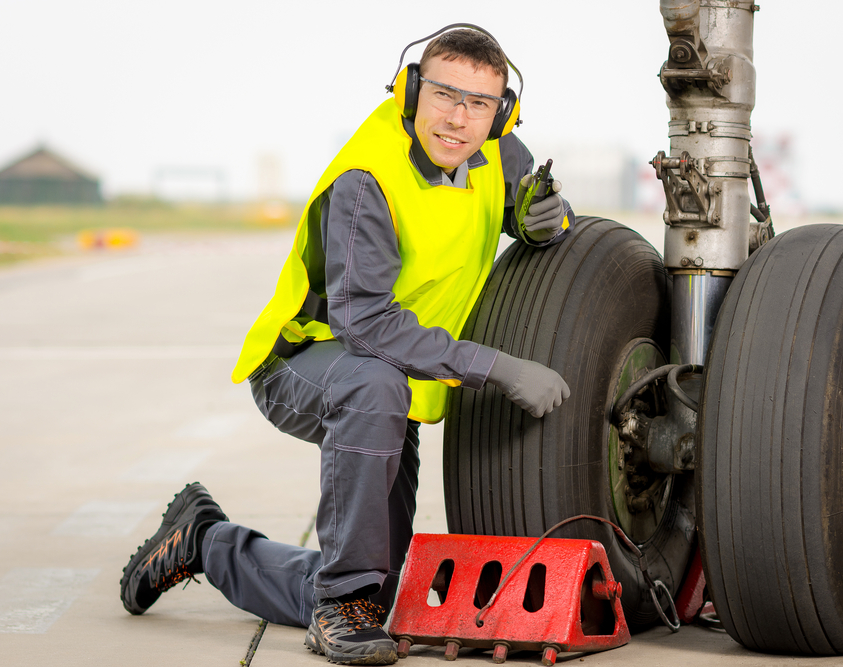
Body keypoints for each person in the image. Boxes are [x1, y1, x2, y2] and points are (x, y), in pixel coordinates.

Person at [120, 25, 573, 665]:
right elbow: (367, 326)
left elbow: (539, 205)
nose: (459, 118)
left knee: (379, 594)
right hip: (311, 366)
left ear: (501, 113)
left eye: (479, 103)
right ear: (412, 91)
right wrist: (495, 368)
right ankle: (338, 609)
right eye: (444, 95)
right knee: (373, 394)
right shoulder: (369, 178)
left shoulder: (498, 151)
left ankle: (204, 542)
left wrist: (546, 218)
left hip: (390, 382)